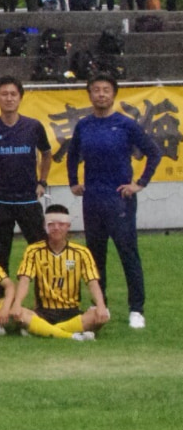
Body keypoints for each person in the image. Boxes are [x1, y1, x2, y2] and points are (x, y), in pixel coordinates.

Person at [67, 73, 160, 329]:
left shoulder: (126, 124)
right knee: (95, 257)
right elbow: (72, 154)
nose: (101, 94)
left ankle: (136, 309)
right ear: (89, 94)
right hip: (92, 200)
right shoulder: (84, 125)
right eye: (96, 90)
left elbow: (154, 152)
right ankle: (100, 305)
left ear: (114, 94)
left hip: (120, 200)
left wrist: (139, 184)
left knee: (128, 254)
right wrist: (73, 180)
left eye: (106, 90)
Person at [0, 77, 52, 277]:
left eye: (13, 94)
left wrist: (42, 182)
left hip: (28, 199)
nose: (9, 98)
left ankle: (45, 302)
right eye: (4, 94)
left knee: (40, 252)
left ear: (20, 98)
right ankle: (2, 303)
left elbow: (47, 153)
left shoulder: (33, 127)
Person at [11, 205, 109, 340]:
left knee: (101, 316)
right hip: (43, 312)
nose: (56, 228)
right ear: (45, 226)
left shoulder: (81, 252)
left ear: (68, 226)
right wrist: (17, 304)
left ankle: (42, 330)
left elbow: (92, 282)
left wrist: (101, 305)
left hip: (71, 312)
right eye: (51, 224)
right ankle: (72, 336)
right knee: (19, 313)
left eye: (61, 224)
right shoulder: (33, 250)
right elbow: (25, 280)